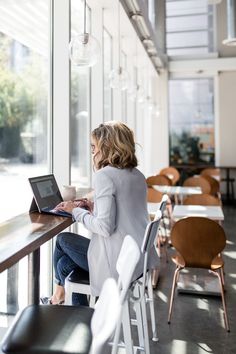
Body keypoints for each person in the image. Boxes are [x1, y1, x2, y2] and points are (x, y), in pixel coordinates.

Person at [43, 121, 158, 305]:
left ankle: (62, 302)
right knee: (63, 265)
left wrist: (76, 211)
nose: (92, 151)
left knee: (63, 240)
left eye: (94, 146)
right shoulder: (137, 175)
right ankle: (65, 304)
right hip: (136, 259)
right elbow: (125, 212)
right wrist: (94, 208)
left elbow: (104, 227)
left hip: (117, 262)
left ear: (106, 146)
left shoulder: (105, 176)